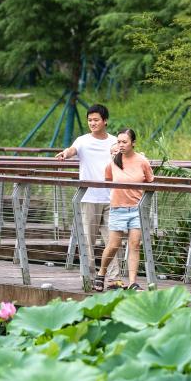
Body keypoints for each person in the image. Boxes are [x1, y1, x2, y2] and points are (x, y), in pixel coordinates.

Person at [55, 104, 120, 284]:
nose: (92, 123)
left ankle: (113, 279)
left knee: (113, 241)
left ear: (105, 121)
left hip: (111, 197)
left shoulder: (114, 142)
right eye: (90, 120)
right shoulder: (82, 141)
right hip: (89, 197)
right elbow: (72, 150)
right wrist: (65, 154)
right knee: (88, 242)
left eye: (96, 120)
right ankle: (89, 279)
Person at [97, 128, 155, 291]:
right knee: (113, 245)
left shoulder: (142, 161)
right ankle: (101, 274)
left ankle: (132, 282)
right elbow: (108, 179)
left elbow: (150, 181)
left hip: (136, 209)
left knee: (135, 244)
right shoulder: (113, 162)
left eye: (125, 142)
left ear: (133, 143)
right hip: (117, 208)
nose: (121, 145)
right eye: (119, 142)